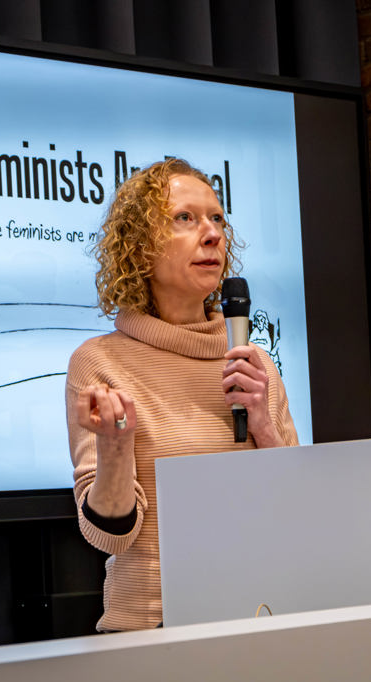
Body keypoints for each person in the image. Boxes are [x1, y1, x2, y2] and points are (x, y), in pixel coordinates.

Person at [65, 158, 298, 632]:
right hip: (154, 630)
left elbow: (298, 511)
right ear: (140, 248)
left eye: (217, 219)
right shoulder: (100, 362)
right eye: (185, 218)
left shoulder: (253, 364)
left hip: (256, 617)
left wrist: (264, 428)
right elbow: (108, 536)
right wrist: (114, 448)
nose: (211, 234)